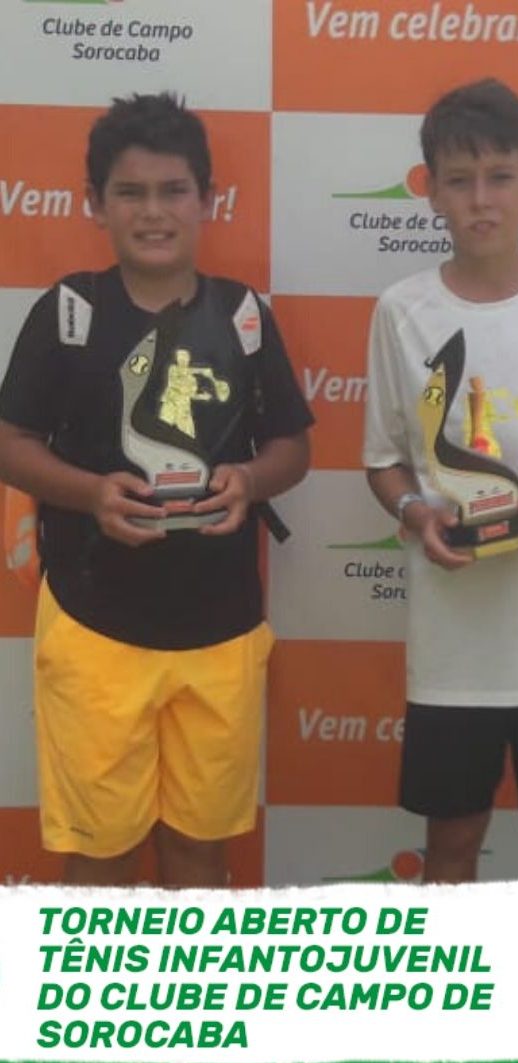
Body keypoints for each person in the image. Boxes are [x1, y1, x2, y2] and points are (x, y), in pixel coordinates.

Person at [0, 93, 312, 887]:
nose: (152, 211)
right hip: (95, 624)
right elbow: (10, 444)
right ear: (95, 203)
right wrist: (90, 494)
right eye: (130, 192)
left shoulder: (242, 314)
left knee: (200, 851)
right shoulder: (70, 310)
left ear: (206, 199)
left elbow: (291, 447)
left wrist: (249, 479)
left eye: (173, 190)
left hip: (221, 627)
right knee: (99, 854)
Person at [363, 78, 518, 883]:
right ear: (431, 192)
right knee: (451, 845)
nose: (480, 199)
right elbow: (383, 460)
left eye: (498, 177)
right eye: (459, 180)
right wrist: (415, 512)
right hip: (453, 645)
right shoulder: (401, 310)